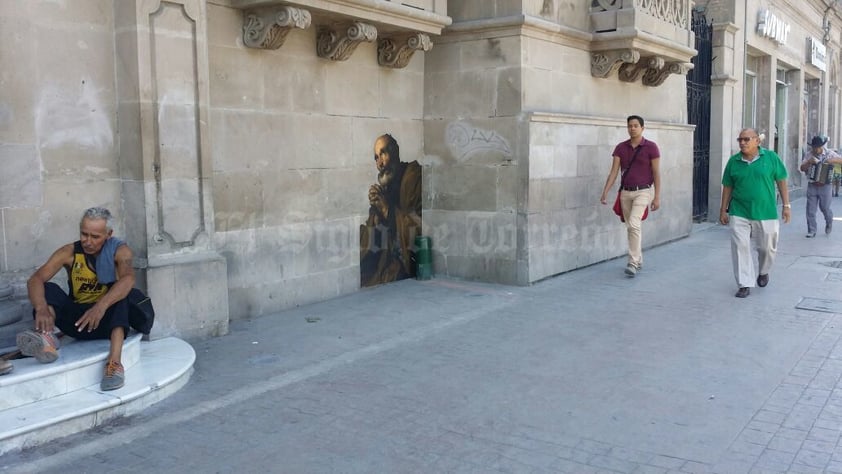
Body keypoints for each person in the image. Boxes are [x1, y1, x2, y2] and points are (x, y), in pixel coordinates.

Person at [21, 207, 135, 390]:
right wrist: (41, 307)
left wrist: (100, 307)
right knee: (47, 288)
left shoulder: (120, 251)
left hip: (106, 321)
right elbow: (36, 279)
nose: (88, 241)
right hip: (78, 322)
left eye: (95, 237)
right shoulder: (69, 252)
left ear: (109, 234)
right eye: (84, 234)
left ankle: (114, 364)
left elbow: (129, 279)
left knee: (121, 292)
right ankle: (46, 340)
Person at [719, 129, 790, 298]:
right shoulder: (733, 161)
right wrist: (723, 210)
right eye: (740, 140)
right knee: (740, 247)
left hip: (766, 211)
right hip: (739, 210)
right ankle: (744, 283)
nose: (742, 143)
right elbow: (727, 186)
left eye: (746, 139)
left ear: (757, 141)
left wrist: (786, 205)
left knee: (767, 247)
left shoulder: (771, 157)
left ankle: (764, 271)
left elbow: (781, 180)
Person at [600, 115, 661, 277]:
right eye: (630, 126)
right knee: (631, 227)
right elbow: (614, 172)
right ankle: (638, 259)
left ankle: (632, 262)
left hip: (644, 191)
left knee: (633, 224)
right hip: (625, 192)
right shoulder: (621, 148)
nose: (632, 128)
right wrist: (605, 191)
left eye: (635, 125)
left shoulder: (651, 147)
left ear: (642, 128)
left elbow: (656, 173)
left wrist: (657, 197)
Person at [360, 134, 422, 287]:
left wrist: (386, 209)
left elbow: (419, 228)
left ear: (395, 152)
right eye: (376, 158)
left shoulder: (413, 176)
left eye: (383, 154)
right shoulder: (385, 188)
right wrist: (376, 213)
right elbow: (373, 241)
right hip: (388, 262)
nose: (380, 163)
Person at [799, 135, 842, 237]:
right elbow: (802, 168)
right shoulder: (809, 155)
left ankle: (829, 221)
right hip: (812, 185)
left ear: (822, 146)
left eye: (817, 147)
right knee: (810, 209)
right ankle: (812, 230)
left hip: (826, 186)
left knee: (825, 208)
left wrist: (832, 160)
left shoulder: (829, 153)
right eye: (814, 147)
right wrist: (809, 162)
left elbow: (840, 160)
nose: (815, 149)